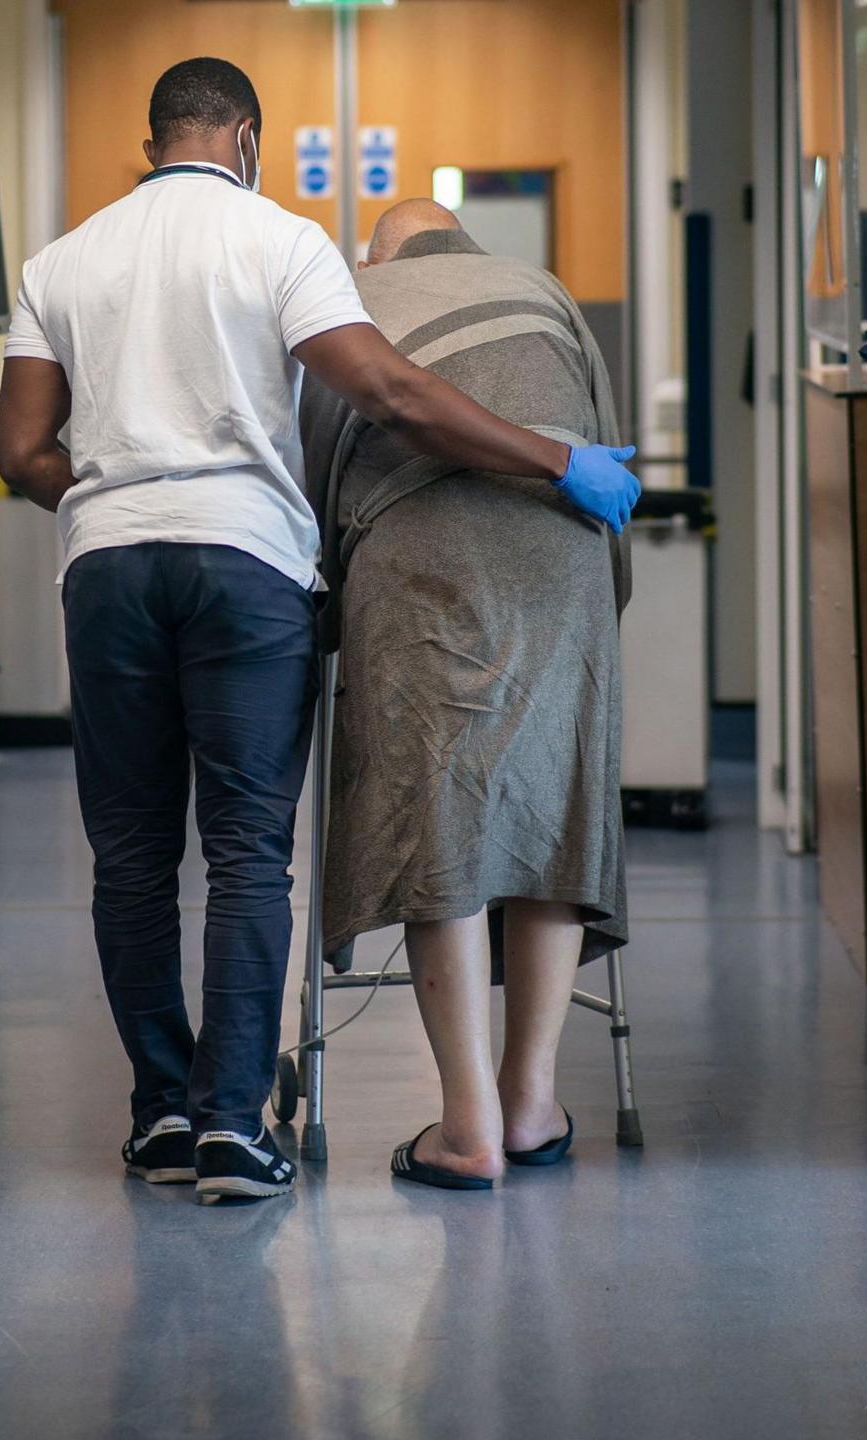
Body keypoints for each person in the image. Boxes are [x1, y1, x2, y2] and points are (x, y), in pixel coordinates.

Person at [0, 59, 642, 1205]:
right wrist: (554, 457)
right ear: (244, 136)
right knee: (248, 849)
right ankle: (233, 1129)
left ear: (152, 143)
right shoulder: (280, 241)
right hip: (244, 564)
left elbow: (21, 453)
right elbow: (389, 394)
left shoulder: (60, 262)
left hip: (107, 568)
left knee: (135, 857)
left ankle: (161, 1115)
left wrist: (113, 494)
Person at [296, 200, 635, 1191]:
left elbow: (313, 473)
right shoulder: (547, 292)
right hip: (562, 561)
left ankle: (466, 1123)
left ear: (376, 251)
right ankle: (531, 1102)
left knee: (433, 809)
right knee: (552, 807)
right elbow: (604, 451)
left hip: (415, 565)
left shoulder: (348, 298)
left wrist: (328, 609)